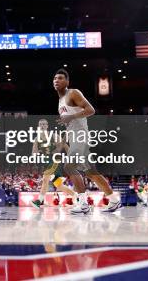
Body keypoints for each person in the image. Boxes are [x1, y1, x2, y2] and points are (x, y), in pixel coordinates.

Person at [53, 69, 122, 214]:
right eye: (54, 79)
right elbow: (69, 124)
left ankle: (83, 204)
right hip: (74, 138)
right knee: (91, 173)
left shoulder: (73, 93)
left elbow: (91, 110)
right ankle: (114, 200)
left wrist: (71, 117)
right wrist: (63, 141)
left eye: (60, 78)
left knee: (69, 166)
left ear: (67, 81)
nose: (56, 80)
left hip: (81, 136)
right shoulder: (60, 102)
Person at [31, 121, 76, 208]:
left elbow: (65, 146)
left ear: (47, 126)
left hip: (55, 160)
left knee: (45, 178)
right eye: (41, 124)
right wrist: (37, 153)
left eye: (44, 124)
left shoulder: (54, 136)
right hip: (46, 162)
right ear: (38, 126)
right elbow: (34, 152)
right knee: (58, 185)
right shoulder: (37, 138)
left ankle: (39, 201)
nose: (43, 126)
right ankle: (76, 196)